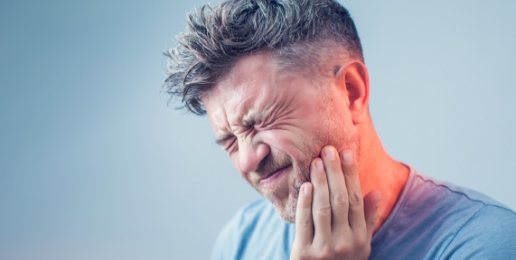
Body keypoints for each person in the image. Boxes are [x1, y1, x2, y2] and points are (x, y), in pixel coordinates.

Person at [164, 0, 516, 259]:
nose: (247, 160)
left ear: (352, 92)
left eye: (261, 121)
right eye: (228, 142)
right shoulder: (239, 242)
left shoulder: (486, 246)